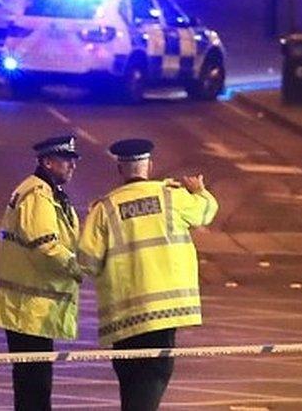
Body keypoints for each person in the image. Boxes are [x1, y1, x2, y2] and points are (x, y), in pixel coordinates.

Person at [78, 139, 219, 411]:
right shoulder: (171, 195)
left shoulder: (104, 209)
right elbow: (207, 212)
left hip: (124, 315)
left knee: (131, 380)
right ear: (150, 165)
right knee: (153, 375)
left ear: (120, 168)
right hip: (162, 310)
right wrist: (200, 191)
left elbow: (87, 262)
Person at [0, 135, 84, 411]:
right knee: (34, 387)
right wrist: (78, 267)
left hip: (34, 308)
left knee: (35, 384)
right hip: (27, 307)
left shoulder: (47, 192)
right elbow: (45, 244)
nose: (72, 166)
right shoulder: (37, 194)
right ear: (47, 162)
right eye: (66, 161)